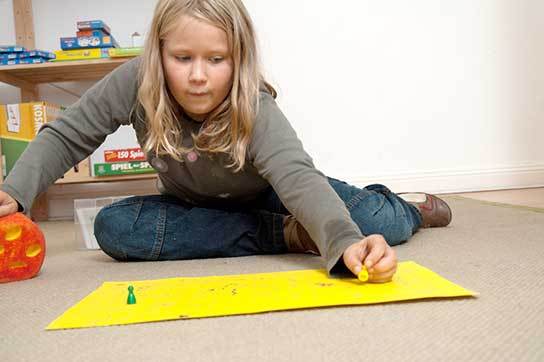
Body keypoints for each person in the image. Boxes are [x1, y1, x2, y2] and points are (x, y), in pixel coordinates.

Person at [0, 0, 451, 282]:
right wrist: (15, 192)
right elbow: (67, 134)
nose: (198, 76)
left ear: (238, 61)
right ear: (158, 54)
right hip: (193, 210)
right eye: (182, 58)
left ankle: (406, 205)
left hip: (275, 197)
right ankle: (290, 237)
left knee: (374, 225)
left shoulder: (255, 104)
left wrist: (340, 241)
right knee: (114, 230)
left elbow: (296, 176)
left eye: (216, 60)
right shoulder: (136, 81)